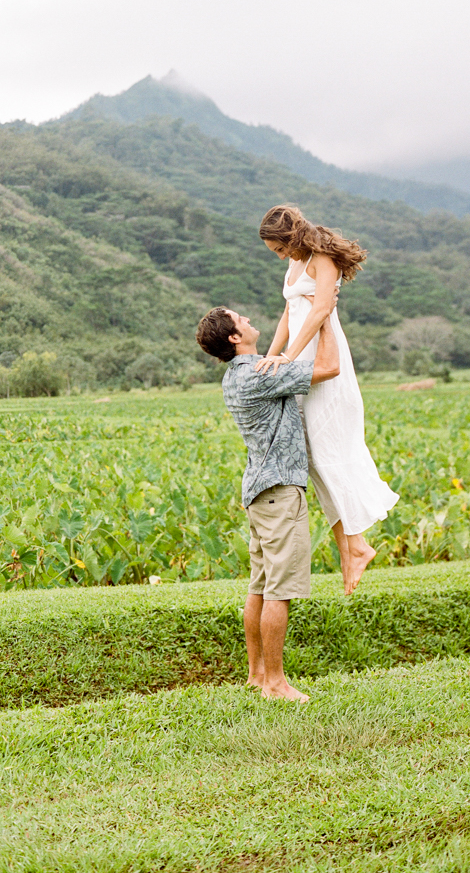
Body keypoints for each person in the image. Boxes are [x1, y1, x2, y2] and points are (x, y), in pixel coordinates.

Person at [196, 295, 340, 703]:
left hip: (259, 494)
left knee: (259, 586)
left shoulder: (239, 374)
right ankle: (276, 683)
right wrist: (324, 321)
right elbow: (330, 368)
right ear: (236, 336)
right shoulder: (260, 375)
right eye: (241, 318)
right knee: (280, 590)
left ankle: (257, 675)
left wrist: (301, 303)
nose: (248, 317)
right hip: (279, 492)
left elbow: (282, 336)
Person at [257, 203, 399, 595]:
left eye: (280, 249)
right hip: (296, 359)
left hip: (322, 357)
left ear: (290, 238)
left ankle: (355, 545)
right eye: (275, 253)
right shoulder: (294, 264)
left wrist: (289, 356)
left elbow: (320, 310)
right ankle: (350, 547)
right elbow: (290, 311)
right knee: (312, 457)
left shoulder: (322, 260)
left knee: (329, 451)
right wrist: (273, 353)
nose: (280, 256)